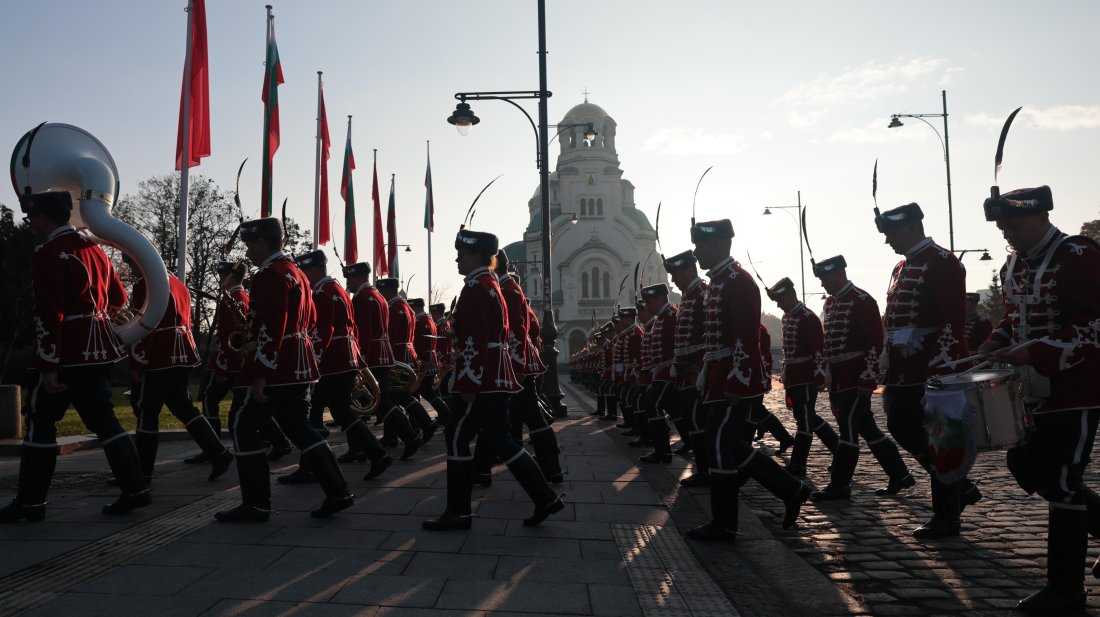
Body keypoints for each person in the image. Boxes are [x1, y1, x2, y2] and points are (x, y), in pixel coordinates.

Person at [977, 186, 1100, 614]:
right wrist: (995, 341)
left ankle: (1066, 590)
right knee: (1026, 464)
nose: (1008, 235)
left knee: (1063, 480)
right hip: (1030, 390)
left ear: (1042, 217)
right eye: (1003, 229)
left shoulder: (1077, 254)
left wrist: (1035, 351)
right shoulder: (1013, 264)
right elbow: (1015, 317)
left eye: (1015, 225)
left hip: (1078, 387)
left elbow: (1094, 324)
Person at [1, 191, 149, 521]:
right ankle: (136, 488)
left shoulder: (48, 252)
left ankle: (30, 502)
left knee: (40, 419)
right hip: (100, 348)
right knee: (104, 419)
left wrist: (48, 364)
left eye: (32, 218)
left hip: (68, 349)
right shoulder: (96, 249)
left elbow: (49, 312)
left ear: (44, 218)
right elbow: (118, 297)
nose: (31, 224)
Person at [422, 229, 564, 531]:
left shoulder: (476, 287)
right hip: (495, 375)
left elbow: (475, 340)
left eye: (462, 254)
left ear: (476, 256)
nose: (457, 259)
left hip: (482, 379)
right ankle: (545, 498)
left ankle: (458, 511)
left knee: (458, 436)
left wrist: (468, 383)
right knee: (501, 438)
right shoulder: (489, 284)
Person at [214, 218, 353, 522]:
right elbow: (311, 320)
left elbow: (271, 326)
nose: (248, 252)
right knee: (298, 427)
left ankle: (256, 504)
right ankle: (338, 491)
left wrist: (261, 373)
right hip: (299, 363)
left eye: (250, 245)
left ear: (262, 243)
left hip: (276, 365)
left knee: (243, 426)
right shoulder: (297, 273)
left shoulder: (268, 274)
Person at [685, 219, 810, 542]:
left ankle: (725, 523)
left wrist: (737, 382)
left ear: (717, 245)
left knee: (719, 446)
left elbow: (745, 339)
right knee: (728, 446)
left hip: (731, 380)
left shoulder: (738, 282)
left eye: (700, 246)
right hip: (718, 377)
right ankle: (791, 490)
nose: (696, 252)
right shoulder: (720, 281)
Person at [875, 203, 978, 539]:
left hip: (935, 368)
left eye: (892, 232)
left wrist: (939, 369)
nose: (888, 240)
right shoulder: (901, 267)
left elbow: (952, 322)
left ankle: (947, 516)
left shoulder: (943, 261)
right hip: (903, 370)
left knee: (941, 439)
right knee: (901, 425)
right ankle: (960, 487)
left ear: (911, 227)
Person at [276, 250, 392, 483]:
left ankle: (311, 467)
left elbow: (323, 330)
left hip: (332, 362)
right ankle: (377, 453)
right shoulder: (338, 289)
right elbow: (353, 328)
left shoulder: (322, 293)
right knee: (342, 411)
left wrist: (314, 359)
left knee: (313, 412)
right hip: (346, 359)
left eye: (305, 273)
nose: (303, 278)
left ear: (314, 271)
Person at [807, 255, 913, 502]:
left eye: (826, 278)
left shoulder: (862, 300)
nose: (823, 284)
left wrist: (866, 378)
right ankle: (900, 474)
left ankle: (840, 484)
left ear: (840, 274)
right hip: (839, 376)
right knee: (867, 428)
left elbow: (874, 343)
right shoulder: (831, 304)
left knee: (848, 429)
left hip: (855, 377)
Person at [124, 254, 233, 483]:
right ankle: (218, 452)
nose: (132, 269)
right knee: (182, 407)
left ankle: (142, 472)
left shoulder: (146, 283)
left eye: (132, 263)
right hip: (183, 350)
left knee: (146, 410)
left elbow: (145, 324)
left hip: (161, 353)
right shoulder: (177, 282)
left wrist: (138, 362)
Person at [191, 261, 292, 465]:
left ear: (229, 276)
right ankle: (279, 441)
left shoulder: (232, 299)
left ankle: (213, 447)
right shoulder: (244, 296)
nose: (221, 279)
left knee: (210, 401)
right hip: (242, 361)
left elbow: (227, 336)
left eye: (222, 276)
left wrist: (221, 366)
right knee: (251, 403)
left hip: (229, 361)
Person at [491, 253, 564, 484]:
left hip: (518, 362)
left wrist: (517, 365)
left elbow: (516, 330)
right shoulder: (507, 287)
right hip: (517, 360)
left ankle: (550, 467)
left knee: (531, 414)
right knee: (519, 413)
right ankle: (533, 462)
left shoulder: (508, 290)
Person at [343, 263, 422, 459]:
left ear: (357, 277)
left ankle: (361, 447)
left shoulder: (362, 298)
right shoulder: (377, 296)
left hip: (371, 355)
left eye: (349, 279)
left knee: (364, 401)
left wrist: (360, 358)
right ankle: (407, 436)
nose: (348, 283)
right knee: (380, 401)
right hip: (383, 354)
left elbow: (363, 331)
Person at [764, 278, 838, 475]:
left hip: (806, 377)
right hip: (794, 376)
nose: (779, 305)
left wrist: (819, 376)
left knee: (804, 420)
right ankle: (838, 450)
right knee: (807, 416)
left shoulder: (807, 317)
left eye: (781, 300)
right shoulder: (789, 316)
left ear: (790, 296)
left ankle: (799, 463)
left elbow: (818, 350)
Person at [377, 277, 439, 443]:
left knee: (393, 396)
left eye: (382, 291)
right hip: (407, 353)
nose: (381, 294)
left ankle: (405, 432)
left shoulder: (394, 307)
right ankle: (422, 425)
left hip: (398, 354)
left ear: (389, 290)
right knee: (401, 396)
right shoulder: (405, 306)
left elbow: (391, 334)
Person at [667, 250, 709, 482]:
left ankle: (705, 469)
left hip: (698, 368)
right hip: (687, 369)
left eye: (676, 274)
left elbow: (711, 334)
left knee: (695, 417)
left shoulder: (702, 293)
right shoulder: (688, 296)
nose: (673, 280)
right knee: (691, 417)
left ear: (689, 270)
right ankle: (703, 467)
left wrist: (701, 367)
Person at [638, 283, 679, 464]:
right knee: (674, 410)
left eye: (650, 302)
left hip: (669, 372)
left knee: (652, 404)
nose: (647, 307)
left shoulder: (670, 316)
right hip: (660, 372)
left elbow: (678, 344)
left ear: (661, 299)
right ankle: (663, 449)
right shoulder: (661, 318)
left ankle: (663, 450)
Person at [409, 297, 452, 426]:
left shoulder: (420, 321)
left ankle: (441, 417)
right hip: (431, 359)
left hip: (424, 361)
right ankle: (444, 416)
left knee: (423, 391)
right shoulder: (428, 320)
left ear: (416, 307)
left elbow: (418, 343)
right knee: (428, 392)